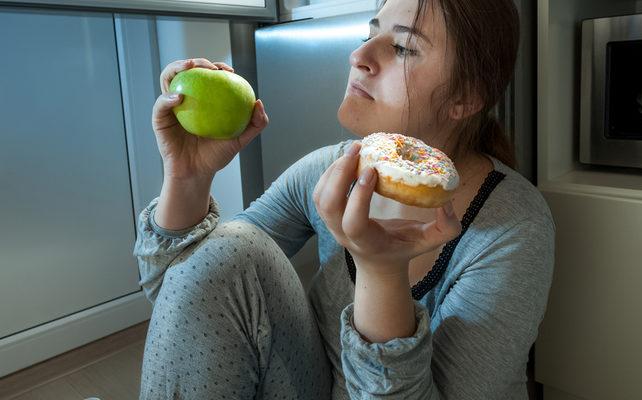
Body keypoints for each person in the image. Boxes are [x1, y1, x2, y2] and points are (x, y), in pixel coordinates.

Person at [134, 0, 555, 398]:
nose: (359, 56)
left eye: (404, 47)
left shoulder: (512, 227)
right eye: (369, 33)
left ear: (466, 97)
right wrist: (188, 176)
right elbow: (187, 295)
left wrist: (381, 273)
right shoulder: (329, 170)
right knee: (228, 249)